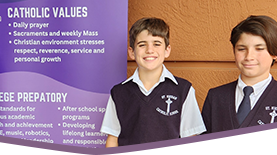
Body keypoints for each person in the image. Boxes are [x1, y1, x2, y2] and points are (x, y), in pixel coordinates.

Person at [100, 17, 206, 148]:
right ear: (132, 52)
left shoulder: (183, 90)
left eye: (156, 44)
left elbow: (189, 140)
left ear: (167, 50)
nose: (149, 50)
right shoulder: (119, 93)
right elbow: (113, 138)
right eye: (142, 45)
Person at [198, 15, 277, 149]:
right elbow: (203, 144)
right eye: (241, 49)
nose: (249, 57)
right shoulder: (216, 96)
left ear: (274, 53)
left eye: (259, 48)